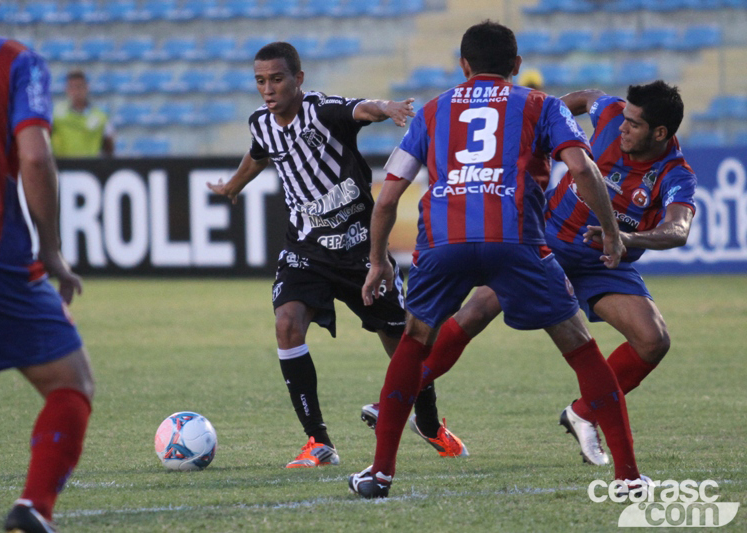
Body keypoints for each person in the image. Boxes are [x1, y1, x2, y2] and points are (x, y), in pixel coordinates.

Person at [349, 20, 647, 499]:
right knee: (580, 345)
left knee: (414, 340)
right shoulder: (541, 105)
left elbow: (386, 198)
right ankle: (629, 478)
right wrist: (613, 233)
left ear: (463, 66)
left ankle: (380, 473)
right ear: (516, 66)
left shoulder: (432, 110)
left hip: (444, 243)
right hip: (517, 242)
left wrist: (378, 261)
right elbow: (582, 168)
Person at [408, 81, 696, 467]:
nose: (623, 128)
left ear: (661, 133)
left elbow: (678, 230)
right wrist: (541, 126)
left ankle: (582, 412)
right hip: (548, 243)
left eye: (635, 125)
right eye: (625, 119)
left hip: (604, 260)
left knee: (653, 340)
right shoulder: (610, 114)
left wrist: (625, 236)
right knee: (475, 312)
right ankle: (400, 395)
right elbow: (586, 97)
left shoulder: (675, 173)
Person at [208, 42, 467, 468]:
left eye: (276, 79)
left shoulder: (322, 111)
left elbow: (361, 109)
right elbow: (259, 153)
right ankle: (318, 441)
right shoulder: (262, 123)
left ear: (298, 79)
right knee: (287, 325)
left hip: (362, 252)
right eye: (260, 81)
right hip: (306, 249)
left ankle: (429, 422)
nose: (268, 89)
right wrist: (234, 186)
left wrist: (388, 107)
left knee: (403, 341)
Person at [0, 2, 95, 532]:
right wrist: (51, 248)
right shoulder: (13, 59)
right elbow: (34, 156)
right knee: (70, 383)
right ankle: (33, 509)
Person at [51, 69, 114, 157]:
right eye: (72, 87)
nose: (76, 91)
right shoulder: (55, 114)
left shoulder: (101, 116)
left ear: (87, 87)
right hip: (63, 167)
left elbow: (109, 146)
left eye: (79, 86)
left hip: (89, 168)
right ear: (67, 89)